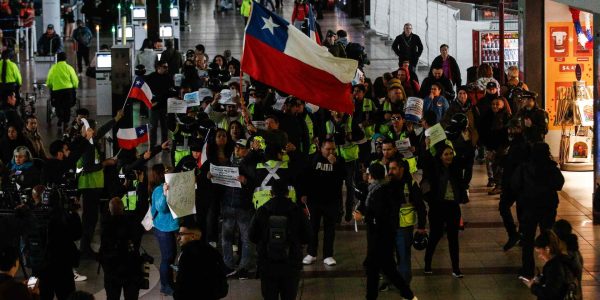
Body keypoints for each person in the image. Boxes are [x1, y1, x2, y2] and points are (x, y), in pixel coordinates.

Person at [353, 163, 416, 300]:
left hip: (380, 237)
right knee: (385, 268)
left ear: (372, 176)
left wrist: (362, 217)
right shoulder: (378, 189)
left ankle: (406, 294)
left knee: (377, 269)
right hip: (380, 236)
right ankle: (408, 294)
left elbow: (379, 217)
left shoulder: (380, 192)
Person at [249, 179, 311, 300]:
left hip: (267, 263)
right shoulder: (297, 211)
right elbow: (308, 236)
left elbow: (252, 236)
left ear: (271, 193)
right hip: (291, 263)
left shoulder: (262, 210)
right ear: (288, 193)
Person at [511, 143, 564, 279]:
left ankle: (527, 269)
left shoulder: (524, 168)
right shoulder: (551, 168)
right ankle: (551, 268)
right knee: (548, 237)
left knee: (528, 240)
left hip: (529, 207)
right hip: (548, 207)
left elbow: (515, 185)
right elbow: (559, 184)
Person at [76, 112, 123, 257]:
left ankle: (85, 247)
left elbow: (102, 131)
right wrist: (105, 163)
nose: (95, 132)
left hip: (93, 186)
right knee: (89, 219)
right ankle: (85, 249)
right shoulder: (87, 147)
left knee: (91, 218)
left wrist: (115, 119)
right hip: (89, 186)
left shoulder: (90, 142)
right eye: (91, 129)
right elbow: (88, 167)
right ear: (84, 131)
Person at [423, 143, 465, 278]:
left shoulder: (455, 168)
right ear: (440, 156)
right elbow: (426, 184)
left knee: (453, 238)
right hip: (438, 207)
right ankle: (427, 263)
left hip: (453, 207)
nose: (449, 157)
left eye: (451, 153)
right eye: (446, 154)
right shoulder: (434, 169)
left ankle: (456, 268)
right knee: (435, 236)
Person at [301, 138, 345, 266]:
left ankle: (328, 255)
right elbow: (305, 176)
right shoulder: (312, 159)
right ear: (321, 148)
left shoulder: (339, 160)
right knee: (313, 227)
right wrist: (303, 193)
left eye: (333, 149)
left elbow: (343, 176)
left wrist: (335, 164)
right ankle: (311, 253)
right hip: (314, 200)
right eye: (328, 149)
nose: (331, 151)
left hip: (331, 200)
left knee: (330, 228)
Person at [220, 139, 254, 279]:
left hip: (243, 207)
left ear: (247, 150)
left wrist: (245, 181)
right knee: (226, 238)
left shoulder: (251, 164)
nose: (237, 150)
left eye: (241, 148)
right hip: (228, 205)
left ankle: (243, 267)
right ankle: (228, 265)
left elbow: (256, 181)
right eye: (236, 148)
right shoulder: (228, 162)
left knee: (246, 238)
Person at [388, 158, 426, 284]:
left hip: (404, 226)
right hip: (388, 226)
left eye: (393, 169)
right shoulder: (387, 183)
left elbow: (420, 206)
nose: (390, 171)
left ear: (401, 169)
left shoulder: (411, 184)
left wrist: (421, 227)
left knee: (403, 257)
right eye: (389, 168)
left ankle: (404, 285)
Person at [98, 198, 142, 300]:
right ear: (123, 208)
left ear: (110, 210)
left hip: (112, 271)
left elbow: (104, 250)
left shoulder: (106, 226)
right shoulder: (132, 224)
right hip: (130, 270)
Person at [174, 219, 229, 300]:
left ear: (193, 236)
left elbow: (182, 282)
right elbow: (222, 277)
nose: (178, 238)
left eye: (181, 234)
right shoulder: (213, 252)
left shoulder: (186, 255)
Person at [499, 119, 529, 251]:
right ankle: (520, 235)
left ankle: (514, 234)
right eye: (509, 129)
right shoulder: (515, 143)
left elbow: (509, 163)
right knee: (520, 209)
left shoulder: (520, 144)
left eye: (513, 129)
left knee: (505, 206)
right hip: (518, 183)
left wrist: (500, 158)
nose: (510, 131)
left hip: (515, 183)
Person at [523, 230, 581, 300]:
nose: (539, 256)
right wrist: (541, 280)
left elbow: (549, 293)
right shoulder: (563, 260)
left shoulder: (555, 267)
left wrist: (532, 286)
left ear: (547, 249)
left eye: (539, 252)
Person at [150, 164, 179, 296]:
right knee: (167, 257)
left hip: (171, 227)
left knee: (171, 255)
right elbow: (161, 208)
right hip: (163, 228)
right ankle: (165, 285)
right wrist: (165, 193)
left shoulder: (171, 186)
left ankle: (169, 282)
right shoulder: (158, 190)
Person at [47, 52, 79, 131]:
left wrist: (51, 86)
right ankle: (66, 122)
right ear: (65, 59)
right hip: (68, 91)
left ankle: (60, 118)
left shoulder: (53, 68)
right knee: (67, 107)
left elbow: (49, 82)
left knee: (58, 106)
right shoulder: (69, 68)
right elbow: (75, 81)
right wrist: (75, 86)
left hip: (57, 92)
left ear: (57, 59)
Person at [146, 60, 174, 146]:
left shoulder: (169, 77)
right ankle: (152, 145)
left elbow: (171, 90)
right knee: (153, 126)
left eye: (167, 67)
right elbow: (147, 92)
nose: (167, 69)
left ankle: (164, 144)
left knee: (164, 126)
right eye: (165, 67)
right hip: (154, 105)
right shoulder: (151, 77)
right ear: (158, 67)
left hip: (164, 105)